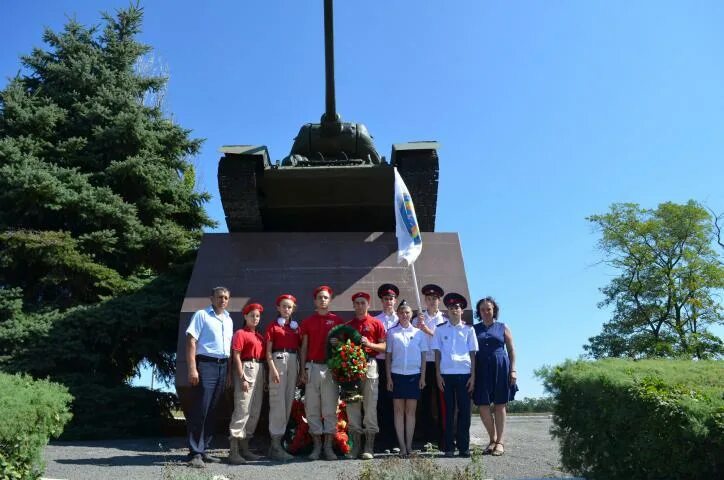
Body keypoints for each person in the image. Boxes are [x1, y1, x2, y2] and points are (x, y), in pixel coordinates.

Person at [185, 286, 234, 468]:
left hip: (223, 366)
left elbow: (228, 349)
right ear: (211, 298)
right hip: (205, 365)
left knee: (213, 409)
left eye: (226, 297)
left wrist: (228, 372)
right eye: (220, 297)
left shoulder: (228, 319)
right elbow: (191, 341)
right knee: (201, 408)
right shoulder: (201, 315)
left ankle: (204, 449)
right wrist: (192, 369)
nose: (223, 300)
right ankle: (194, 453)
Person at [298, 285, 343, 461]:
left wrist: (337, 343)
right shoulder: (308, 322)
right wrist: (303, 369)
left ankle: (328, 447)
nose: (322, 300)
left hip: (330, 369)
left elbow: (343, 348)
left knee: (330, 408)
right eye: (319, 297)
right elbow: (304, 348)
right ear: (315, 301)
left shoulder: (337, 320)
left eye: (325, 297)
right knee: (312, 408)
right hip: (313, 367)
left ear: (329, 300)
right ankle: (316, 447)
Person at [433, 292, 478, 457]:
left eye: (457, 307)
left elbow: (473, 354)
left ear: (462, 311)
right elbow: (437, 353)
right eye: (451, 307)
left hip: (465, 375)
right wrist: (438, 375)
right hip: (446, 375)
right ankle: (449, 447)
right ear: (448, 310)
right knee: (449, 412)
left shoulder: (468, 330)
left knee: (465, 411)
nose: (454, 310)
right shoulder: (440, 330)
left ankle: (464, 446)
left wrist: (473, 376)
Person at [343, 292, 387, 460]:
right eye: (357, 303)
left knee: (369, 406)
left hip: (370, 365)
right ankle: (355, 446)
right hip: (351, 369)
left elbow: (385, 346)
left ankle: (369, 446)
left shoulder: (376, 323)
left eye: (363, 303)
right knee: (353, 406)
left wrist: (369, 344)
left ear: (368, 305)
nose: (360, 306)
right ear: (354, 306)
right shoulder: (348, 325)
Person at [473, 296, 517, 457]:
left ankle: (500, 442)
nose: (486, 312)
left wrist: (513, 370)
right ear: (479, 312)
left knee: (500, 404)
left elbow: (511, 350)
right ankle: (492, 439)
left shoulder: (502, 327)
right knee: (482, 405)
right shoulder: (474, 329)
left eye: (489, 309)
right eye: (482, 309)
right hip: (481, 369)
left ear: (494, 311)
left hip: (500, 367)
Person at [385, 300, 427, 457]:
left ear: (411, 315)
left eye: (407, 312)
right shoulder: (391, 333)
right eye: (401, 312)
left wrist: (422, 377)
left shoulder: (418, 333)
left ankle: (409, 446)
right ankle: (401, 446)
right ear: (398, 314)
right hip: (396, 375)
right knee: (398, 412)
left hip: (413, 376)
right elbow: (388, 357)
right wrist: (389, 378)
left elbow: (423, 357)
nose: (404, 315)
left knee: (410, 413)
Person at [228, 303, 266, 464]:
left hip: (259, 368)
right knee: (242, 408)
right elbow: (236, 356)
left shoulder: (260, 336)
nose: (255, 318)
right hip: (246, 367)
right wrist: (242, 377)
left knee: (255, 410)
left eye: (257, 316)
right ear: (245, 317)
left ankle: (245, 448)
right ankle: (234, 450)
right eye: (252, 315)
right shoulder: (240, 333)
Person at [265, 294, 300, 461]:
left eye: (290, 307)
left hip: (293, 361)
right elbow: (268, 352)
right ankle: (275, 444)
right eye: (284, 306)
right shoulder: (273, 327)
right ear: (278, 308)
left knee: (288, 401)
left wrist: (300, 370)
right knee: (277, 402)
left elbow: (300, 349)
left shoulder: (295, 328)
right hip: (278, 361)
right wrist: (273, 370)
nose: (287, 309)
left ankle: (279, 443)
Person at [412, 283, 446, 449]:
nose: (432, 301)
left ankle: (441, 436)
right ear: (424, 300)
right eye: (429, 298)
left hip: (440, 364)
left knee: (440, 401)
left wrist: (426, 330)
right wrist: (419, 327)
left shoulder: (445, 320)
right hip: (422, 363)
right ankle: (426, 436)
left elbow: (443, 343)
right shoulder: (417, 319)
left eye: (435, 299)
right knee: (424, 401)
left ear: (439, 301)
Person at [374, 283, 400, 453]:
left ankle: (397, 440)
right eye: (385, 299)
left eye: (391, 299)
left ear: (395, 300)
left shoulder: (402, 318)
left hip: (398, 364)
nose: (388, 302)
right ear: (381, 301)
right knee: (381, 402)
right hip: (381, 364)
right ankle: (383, 440)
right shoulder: (376, 320)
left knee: (397, 403)